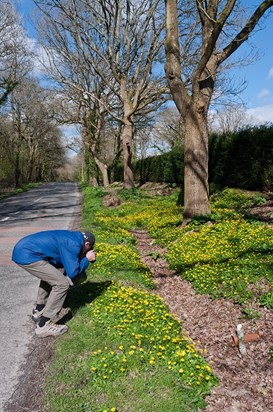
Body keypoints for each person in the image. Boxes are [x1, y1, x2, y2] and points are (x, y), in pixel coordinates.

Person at [12, 229, 96, 338]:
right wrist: (86, 260)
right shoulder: (73, 244)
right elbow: (73, 272)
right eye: (87, 250)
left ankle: (39, 310)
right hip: (27, 255)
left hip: (24, 249)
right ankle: (43, 326)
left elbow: (63, 262)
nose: (84, 252)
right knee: (62, 284)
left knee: (52, 276)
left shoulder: (73, 237)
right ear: (87, 244)